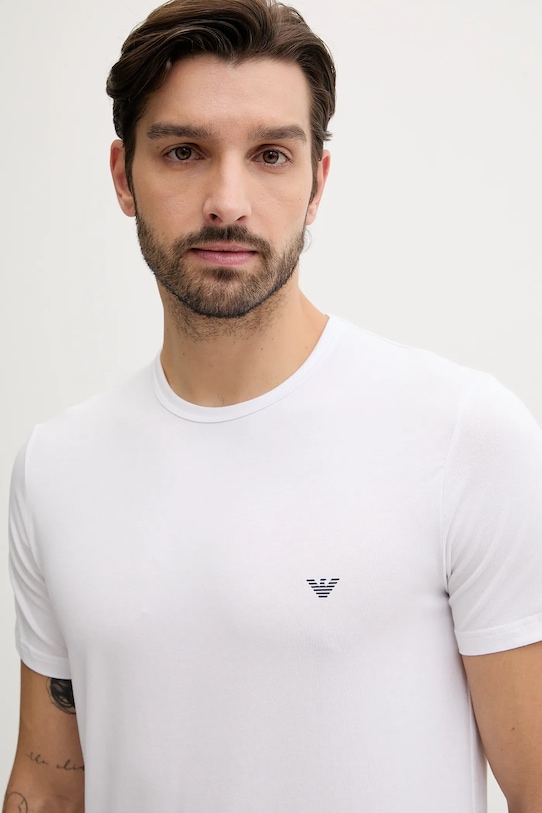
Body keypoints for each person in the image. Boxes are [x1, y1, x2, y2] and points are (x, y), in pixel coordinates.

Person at [4, 0, 542, 810]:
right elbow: (47, 786)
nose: (227, 201)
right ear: (123, 177)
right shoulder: (57, 467)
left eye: (270, 155)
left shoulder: (463, 436)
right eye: (183, 151)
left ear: (317, 182)